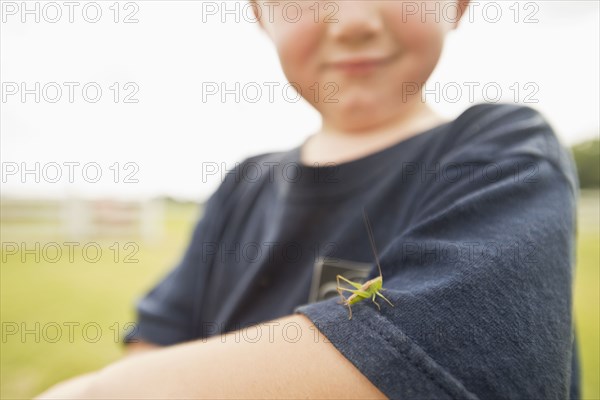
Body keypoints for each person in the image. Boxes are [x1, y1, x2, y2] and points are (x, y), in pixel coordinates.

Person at [36, 0, 580, 398]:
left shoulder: (503, 149)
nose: (354, 22)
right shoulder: (241, 184)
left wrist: (95, 391)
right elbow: (156, 342)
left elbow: (458, 358)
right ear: (258, 12)